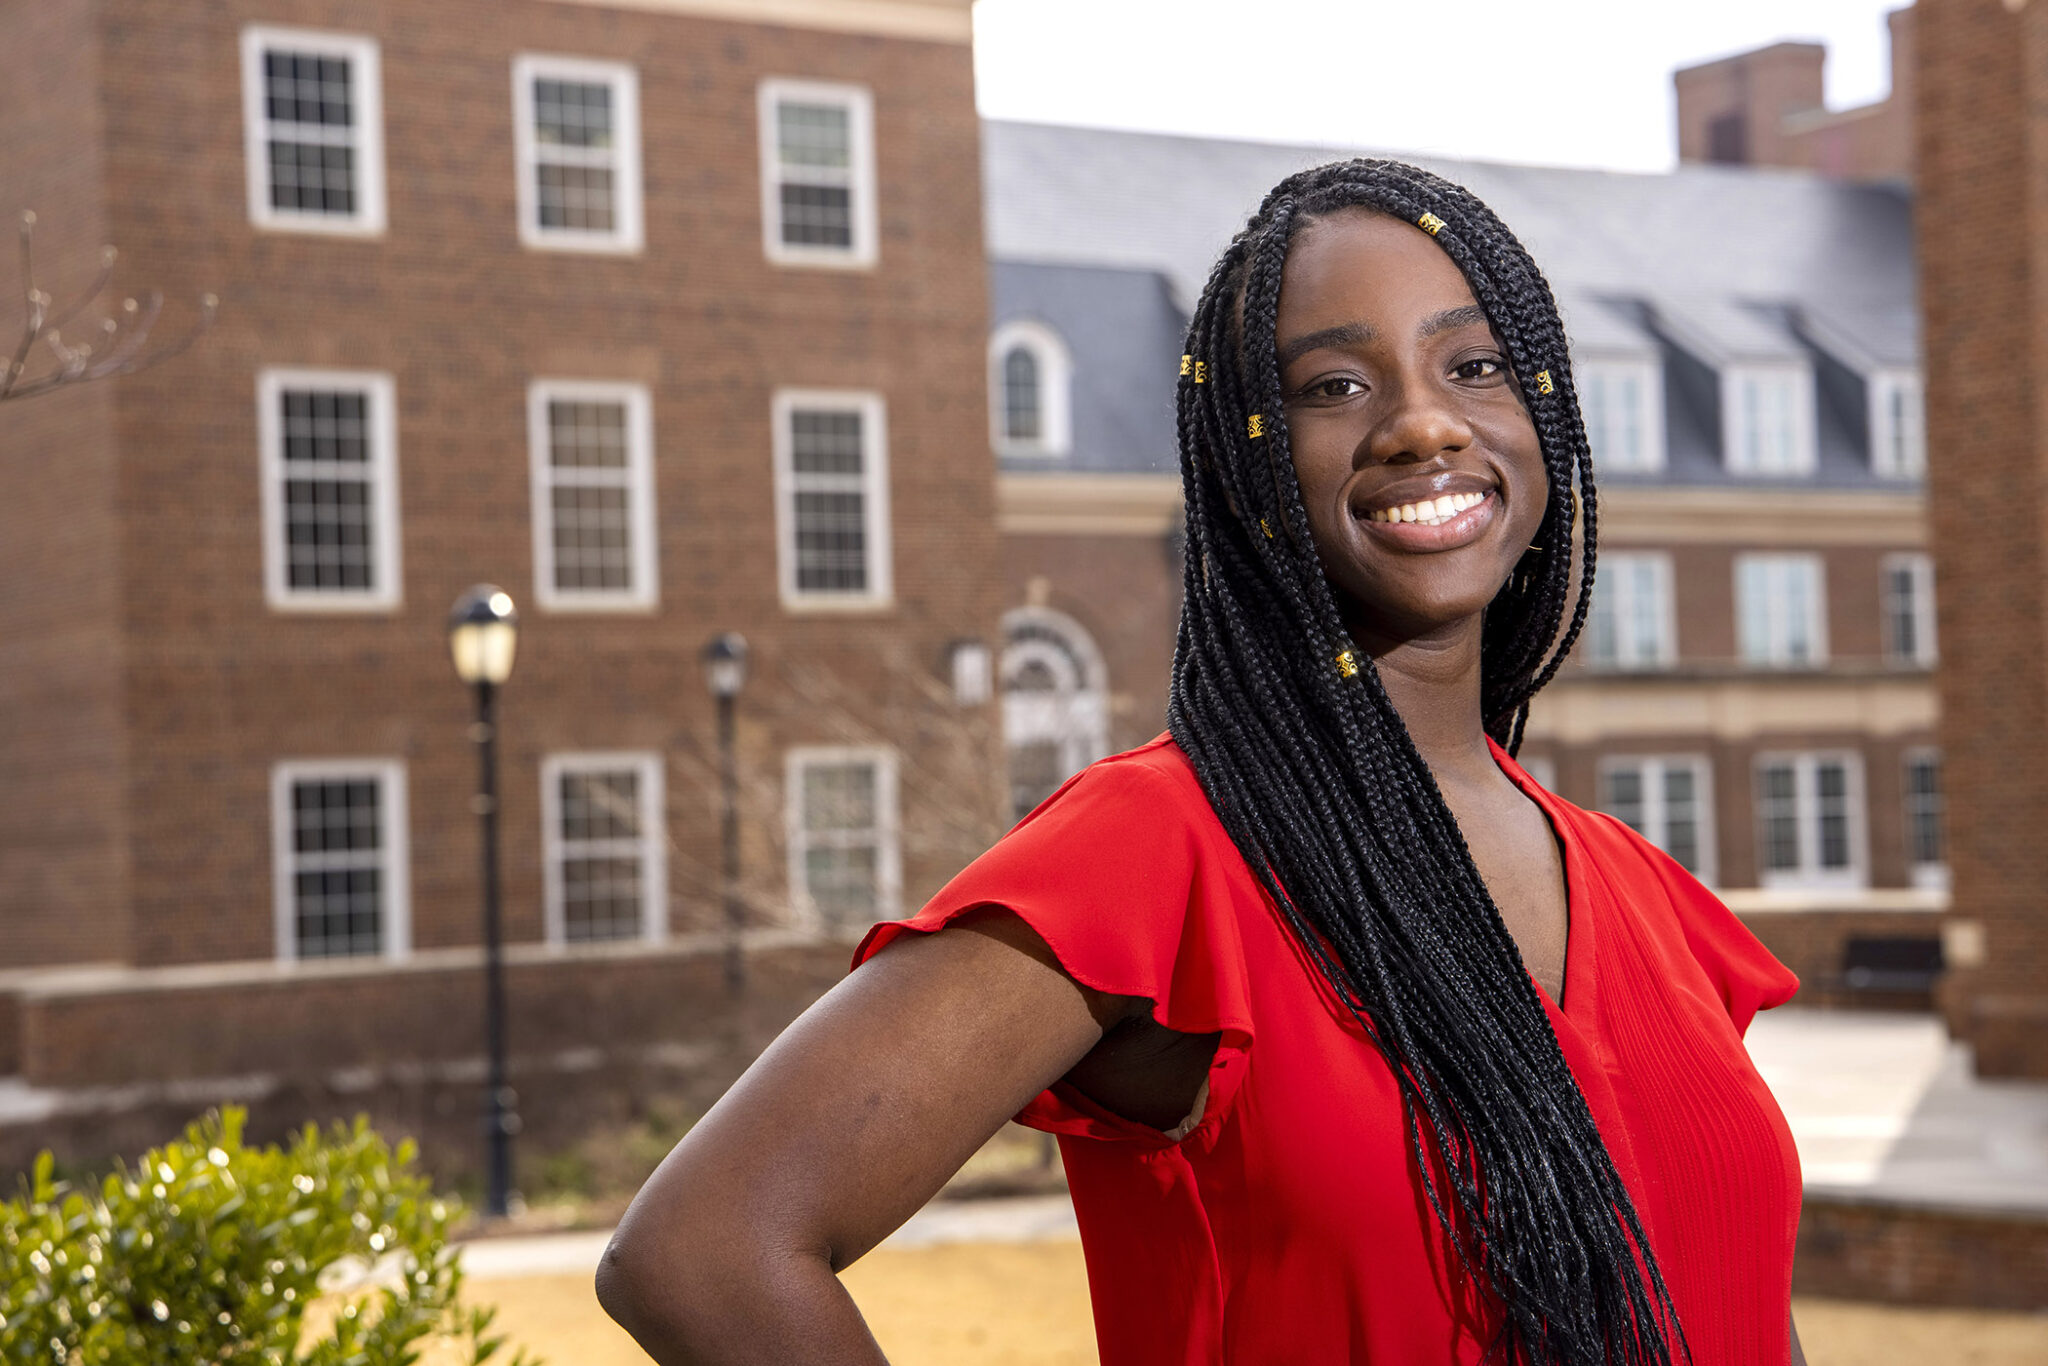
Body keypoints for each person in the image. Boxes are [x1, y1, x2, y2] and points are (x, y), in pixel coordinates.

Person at [596, 159, 1810, 1366]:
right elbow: (706, 1253)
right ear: (1245, 464)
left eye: (1473, 365)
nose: (1423, 422)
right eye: (1333, 384)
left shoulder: (1646, 896)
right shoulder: (1159, 848)